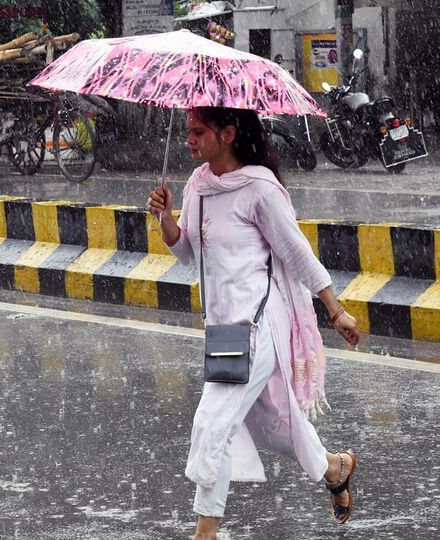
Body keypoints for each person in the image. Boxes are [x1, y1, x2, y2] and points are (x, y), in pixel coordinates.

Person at [146, 107, 362, 539]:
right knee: (271, 423)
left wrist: (335, 310)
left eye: (198, 131)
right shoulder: (199, 185)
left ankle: (205, 532)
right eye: (187, 131)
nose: (189, 139)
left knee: (214, 421)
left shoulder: (260, 188)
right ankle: (335, 467)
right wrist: (166, 218)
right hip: (225, 329)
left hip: (261, 323)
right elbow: (187, 251)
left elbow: (296, 251)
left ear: (227, 134)